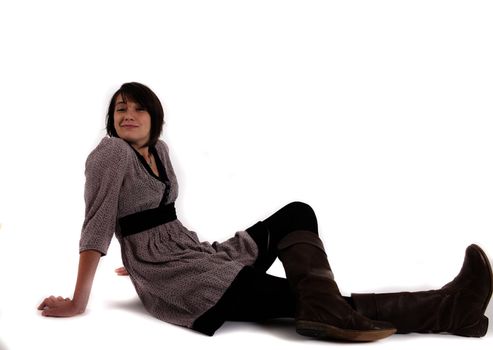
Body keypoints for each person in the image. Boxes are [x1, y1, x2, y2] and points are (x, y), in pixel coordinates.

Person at [38, 82, 492, 342]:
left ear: (156, 118)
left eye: (139, 109)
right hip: (182, 280)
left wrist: (141, 254)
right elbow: (96, 225)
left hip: (196, 254)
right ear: (111, 119)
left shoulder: (160, 150)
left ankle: (327, 311)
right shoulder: (111, 154)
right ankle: (452, 309)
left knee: (298, 212)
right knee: (308, 302)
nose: (128, 115)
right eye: (120, 109)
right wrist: (84, 298)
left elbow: (155, 214)